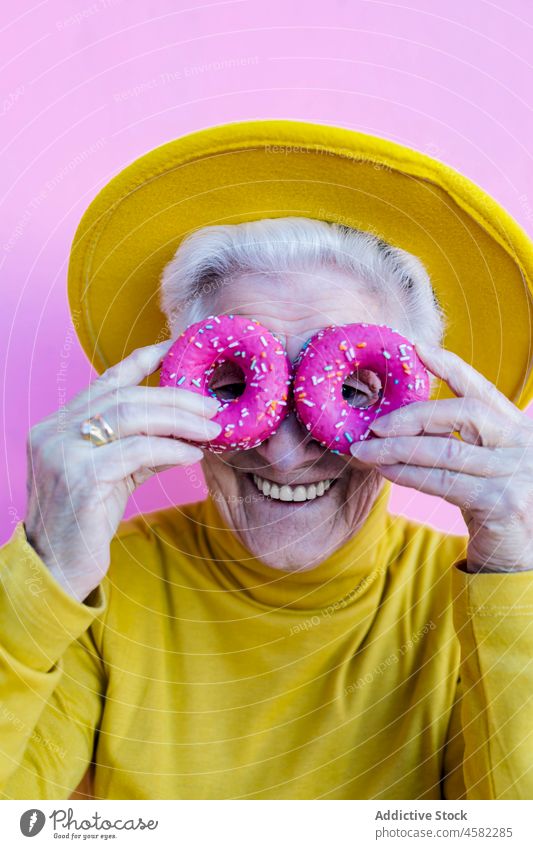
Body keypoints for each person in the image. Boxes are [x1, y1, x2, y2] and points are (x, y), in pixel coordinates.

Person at [1, 121, 533, 801]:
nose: (282, 451)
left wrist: (516, 566)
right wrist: (41, 573)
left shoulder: (482, 601)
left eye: (348, 391)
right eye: (235, 386)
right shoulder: (98, 589)